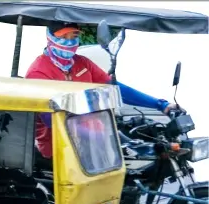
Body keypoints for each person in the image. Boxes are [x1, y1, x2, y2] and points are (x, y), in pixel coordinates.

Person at [25, 21, 180, 160]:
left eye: (73, 36)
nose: (69, 42)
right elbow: (50, 119)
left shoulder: (82, 63)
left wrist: (161, 105)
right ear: (50, 38)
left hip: (91, 138)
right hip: (58, 147)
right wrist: (104, 136)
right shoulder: (38, 72)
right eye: (63, 37)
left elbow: (115, 88)